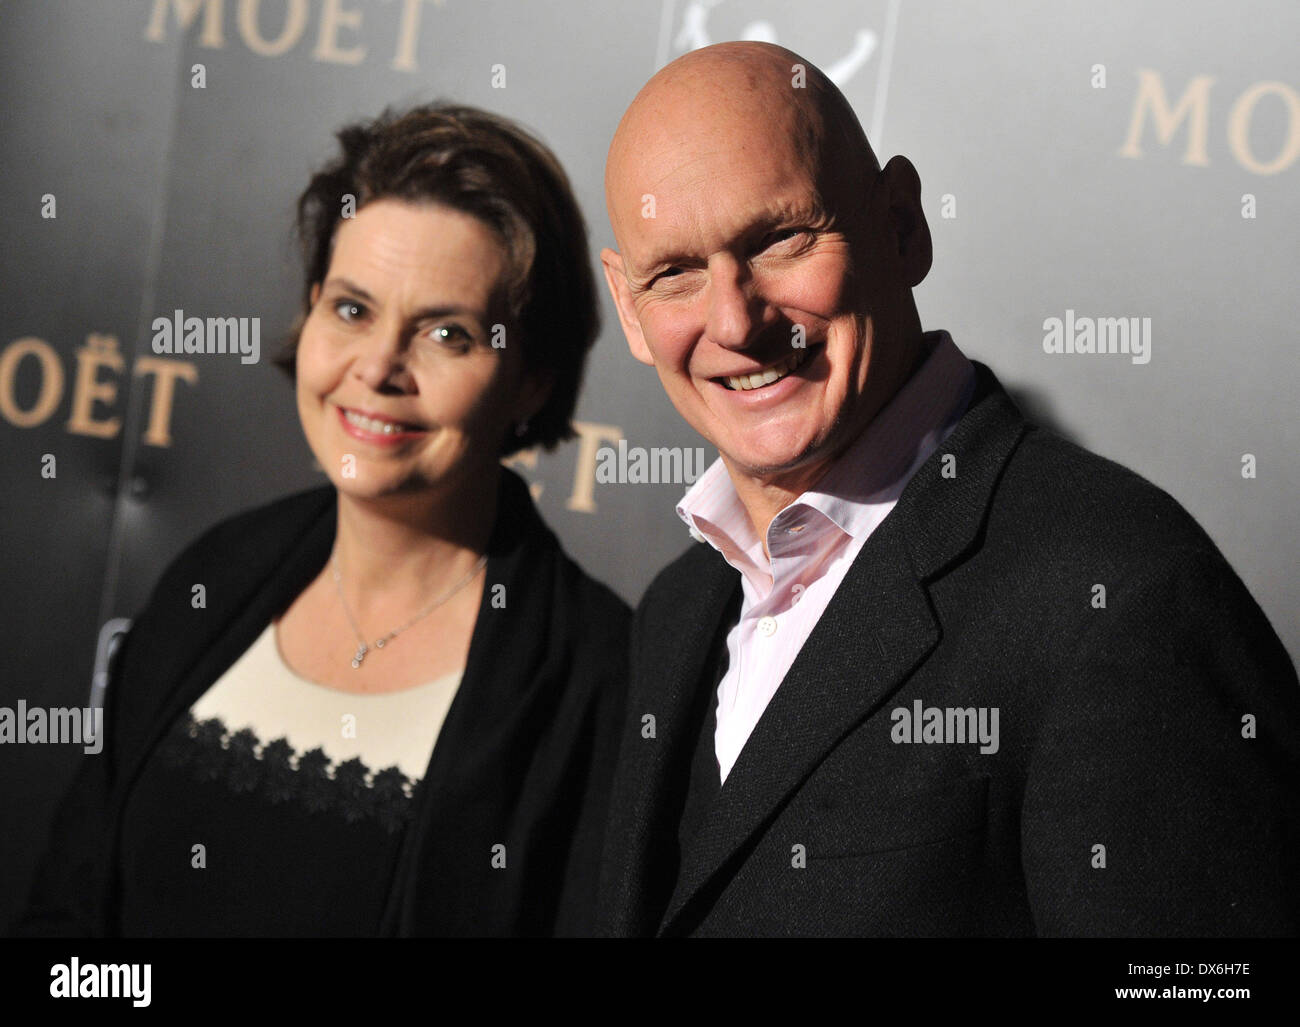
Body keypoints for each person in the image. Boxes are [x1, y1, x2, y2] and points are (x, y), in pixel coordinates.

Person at [596, 41, 1300, 937]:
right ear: (628, 307)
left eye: (779, 239)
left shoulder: (1125, 599)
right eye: (676, 274)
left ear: (902, 225)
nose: (736, 321)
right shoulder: (674, 613)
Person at [17, 102, 627, 937]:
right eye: (351, 309)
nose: (377, 367)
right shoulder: (214, 576)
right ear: (310, 312)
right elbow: (70, 923)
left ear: (532, 379)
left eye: (446, 333)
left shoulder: (598, 682)